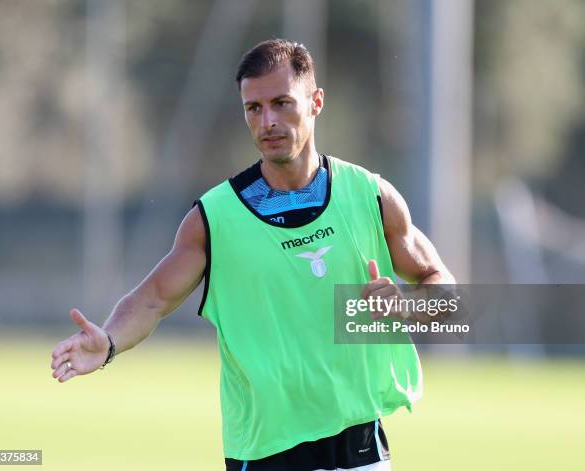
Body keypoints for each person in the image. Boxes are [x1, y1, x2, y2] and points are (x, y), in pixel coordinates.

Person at [51, 39, 454, 471]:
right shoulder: (215, 217)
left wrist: (406, 305)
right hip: (265, 453)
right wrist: (109, 342)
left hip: (359, 447)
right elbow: (152, 299)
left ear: (315, 102)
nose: (268, 121)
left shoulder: (370, 197)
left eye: (282, 103)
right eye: (253, 108)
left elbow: (443, 291)